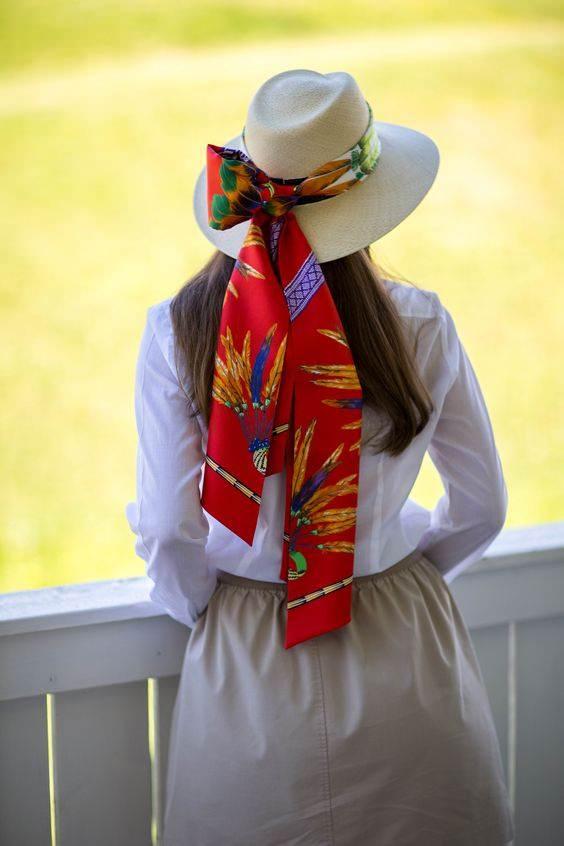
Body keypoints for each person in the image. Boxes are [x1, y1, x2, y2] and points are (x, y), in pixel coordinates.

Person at [126, 69, 515, 845]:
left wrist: (215, 606)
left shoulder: (179, 331)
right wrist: (394, 566)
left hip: (247, 653)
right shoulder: (420, 324)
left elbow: (171, 531)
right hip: (405, 647)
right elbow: (482, 507)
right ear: (370, 202)